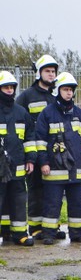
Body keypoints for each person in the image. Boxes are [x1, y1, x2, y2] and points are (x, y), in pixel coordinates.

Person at [36, 72, 81, 244]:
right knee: (52, 203)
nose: (69, 93)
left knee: (76, 203)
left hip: (75, 167)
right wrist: (44, 163)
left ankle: (77, 234)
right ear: (57, 90)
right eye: (66, 89)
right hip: (54, 169)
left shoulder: (78, 113)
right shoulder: (46, 113)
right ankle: (49, 234)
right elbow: (40, 142)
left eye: (71, 90)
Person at [16, 54, 59, 240]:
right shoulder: (26, 96)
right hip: (34, 150)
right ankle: (35, 227)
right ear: (39, 73)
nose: (51, 74)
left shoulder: (54, 96)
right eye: (47, 71)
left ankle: (51, 226)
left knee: (53, 190)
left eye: (53, 71)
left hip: (54, 151)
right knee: (36, 189)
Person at [0, 71, 36, 246]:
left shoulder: (21, 112)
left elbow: (30, 138)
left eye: (11, 87)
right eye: (5, 87)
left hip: (19, 166)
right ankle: (4, 232)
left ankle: (20, 233)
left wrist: (31, 159)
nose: (9, 90)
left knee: (18, 200)